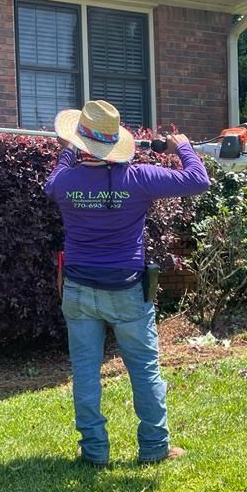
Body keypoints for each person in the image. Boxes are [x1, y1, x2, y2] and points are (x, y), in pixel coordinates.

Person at [45, 100, 210, 467]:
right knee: (145, 370)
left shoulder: (65, 182)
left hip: (79, 291)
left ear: (82, 141)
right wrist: (181, 144)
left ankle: (94, 451)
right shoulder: (140, 177)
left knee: (85, 372)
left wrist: (68, 154)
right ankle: (154, 447)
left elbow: (52, 181)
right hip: (127, 292)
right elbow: (198, 180)